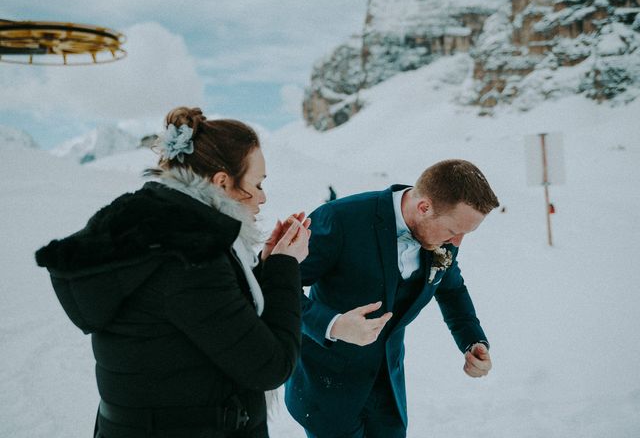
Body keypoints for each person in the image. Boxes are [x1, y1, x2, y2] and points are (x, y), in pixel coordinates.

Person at [35, 107, 310, 438]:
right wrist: (285, 266)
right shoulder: (189, 255)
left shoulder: (152, 221)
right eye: (258, 183)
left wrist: (265, 264)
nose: (264, 197)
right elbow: (269, 365)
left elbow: (218, 325)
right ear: (223, 181)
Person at [285, 159, 499, 438]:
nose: (457, 243)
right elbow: (278, 285)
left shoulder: (442, 240)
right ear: (424, 208)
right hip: (327, 390)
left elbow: (452, 290)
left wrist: (473, 341)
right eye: (453, 231)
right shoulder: (340, 219)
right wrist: (332, 324)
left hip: (388, 393)